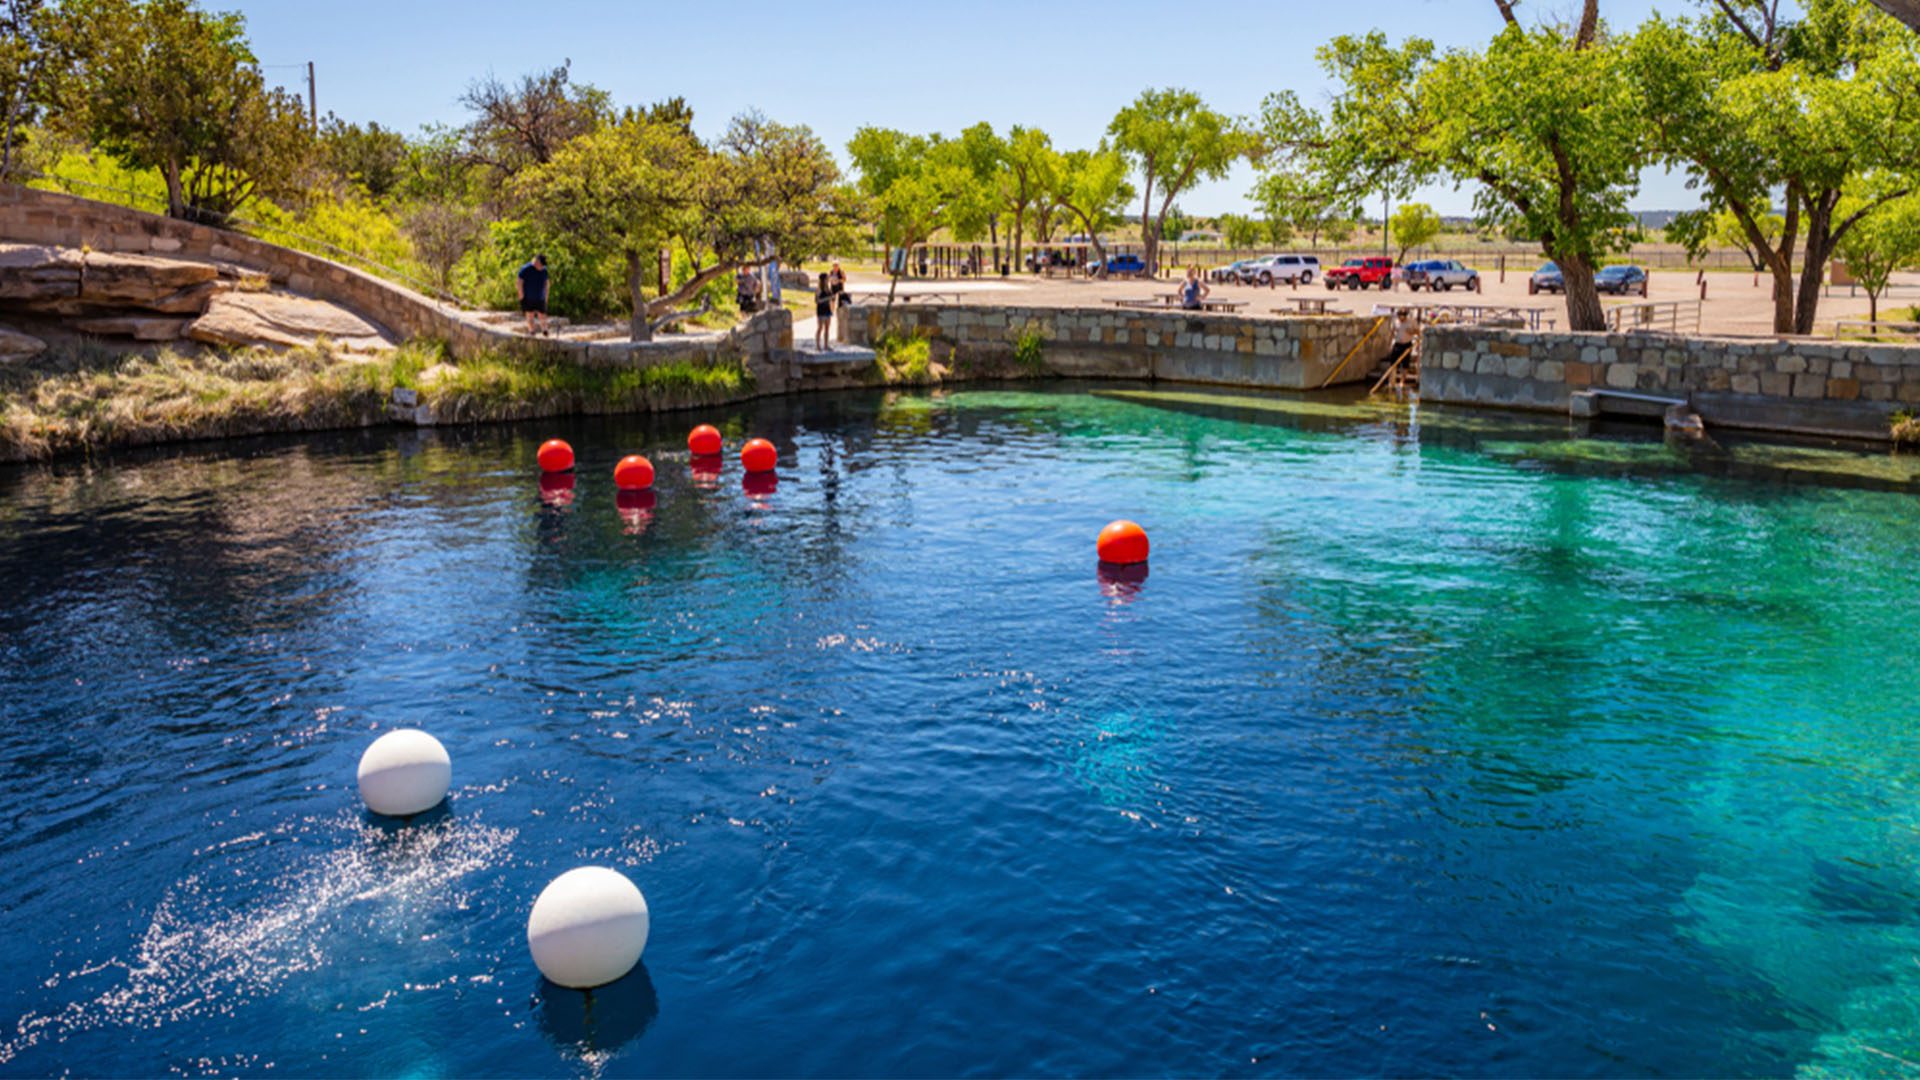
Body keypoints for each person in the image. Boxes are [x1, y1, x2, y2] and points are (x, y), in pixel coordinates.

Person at [516, 254, 551, 336]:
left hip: (540, 297)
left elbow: (547, 283)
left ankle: (545, 330)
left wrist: (546, 296)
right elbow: (519, 282)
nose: (542, 267)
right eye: (541, 265)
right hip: (528, 297)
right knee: (530, 314)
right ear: (537, 262)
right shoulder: (525, 269)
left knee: (542, 315)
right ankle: (532, 331)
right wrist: (521, 295)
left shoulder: (544, 270)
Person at [814, 271, 834, 350]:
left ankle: (826, 345)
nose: (828, 279)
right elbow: (817, 301)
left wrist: (832, 298)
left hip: (827, 310)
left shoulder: (828, 288)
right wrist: (827, 298)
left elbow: (831, 297)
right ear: (823, 279)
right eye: (827, 278)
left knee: (827, 328)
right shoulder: (819, 289)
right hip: (821, 310)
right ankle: (818, 345)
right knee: (820, 328)